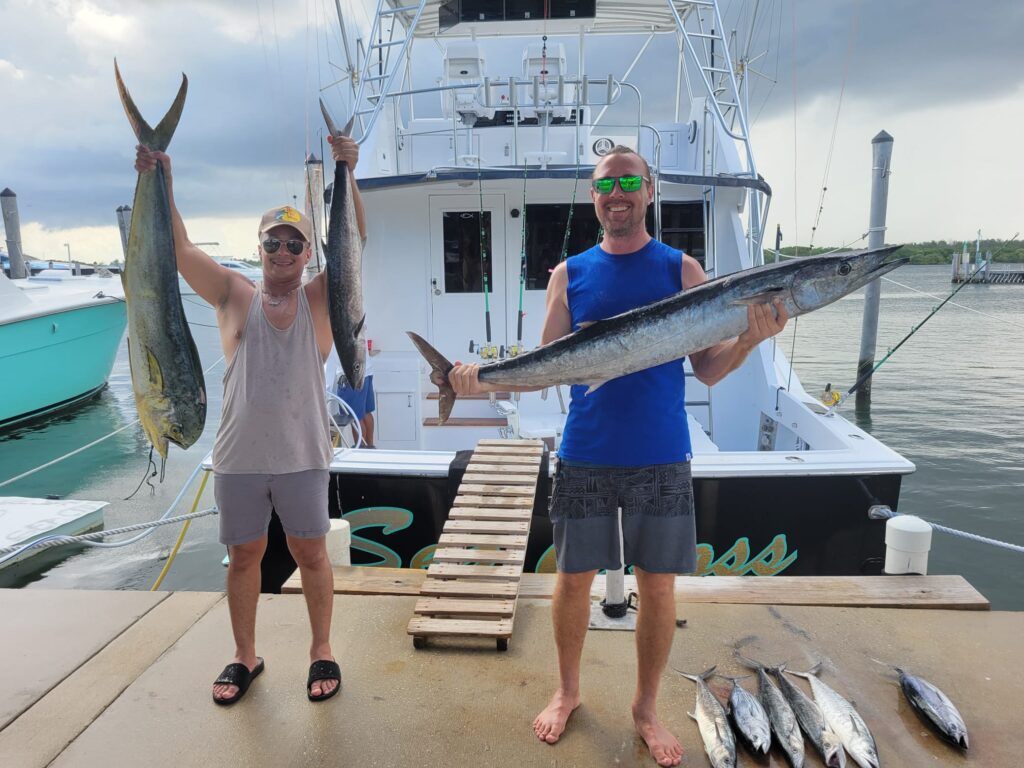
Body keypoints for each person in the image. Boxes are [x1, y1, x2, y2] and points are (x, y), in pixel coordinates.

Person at [447, 145, 788, 767]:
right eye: (606, 184)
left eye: (630, 181)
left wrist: (748, 339)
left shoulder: (682, 270)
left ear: (650, 191)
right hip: (586, 451)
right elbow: (541, 366)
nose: (618, 192)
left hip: (661, 453)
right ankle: (568, 691)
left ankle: (646, 709)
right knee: (572, 580)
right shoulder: (568, 274)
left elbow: (708, 372)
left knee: (658, 588)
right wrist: (478, 379)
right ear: (594, 197)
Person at [134, 130, 366, 706]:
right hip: (239, 459)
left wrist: (349, 170)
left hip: (303, 453)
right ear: (259, 247)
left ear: (309, 253)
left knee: (312, 554)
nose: (283, 253)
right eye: (273, 243)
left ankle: (320, 650)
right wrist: (160, 175)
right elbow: (182, 251)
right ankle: (245, 656)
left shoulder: (320, 299)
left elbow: (357, 238)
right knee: (245, 559)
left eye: (294, 245)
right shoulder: (233, 294)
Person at [325, 333, 376, 448]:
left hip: (351, 374)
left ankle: (360, 449)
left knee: (355, 418)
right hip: (366, 371)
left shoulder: (332, 322)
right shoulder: (358, 319)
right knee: (366, 412)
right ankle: (370, 446)